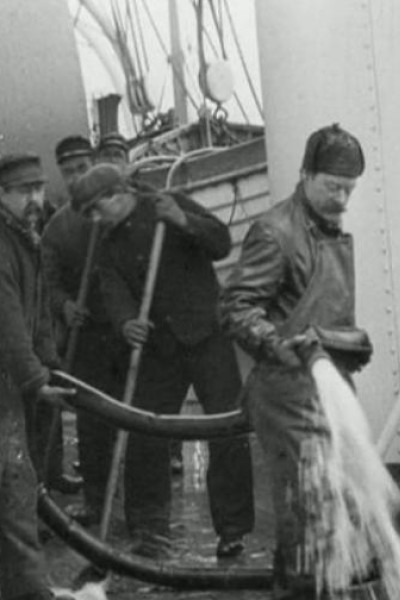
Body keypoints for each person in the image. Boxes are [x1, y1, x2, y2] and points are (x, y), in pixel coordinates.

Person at [71, 164, 255, 559]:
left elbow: (221, 243)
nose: (94, 220)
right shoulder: (105, 241)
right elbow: (112, 287)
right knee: (143, 433)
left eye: (96, 210)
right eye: (88, 214)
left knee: (227, 427)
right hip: (157, 348)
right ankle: (150, 530)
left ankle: (233, 529)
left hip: (207, 334)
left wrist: (182, 220)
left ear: (119, 194)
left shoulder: (166, 205)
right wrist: (125, 323)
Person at [220, 123, 372, 593]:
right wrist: (278, 343)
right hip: (286, 391)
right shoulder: (275, 231)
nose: (343, 199)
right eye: (333, 187)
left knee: (329, 512)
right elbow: (234, 307)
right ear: (305, 174)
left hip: (326, 385)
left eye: (349, 189)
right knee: (309, 513)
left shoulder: (327, 226)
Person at [0, 153, 75, 600]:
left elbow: (39, 313)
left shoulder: (26, 237)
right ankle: (28, 592)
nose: (35, 198)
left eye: (39, 188)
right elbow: (6, 317)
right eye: (24, 190)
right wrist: (34, 378)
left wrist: (53, 363)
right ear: (2, 195)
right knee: (14, 484)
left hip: (10, 378)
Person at [41, 136, 124, 526]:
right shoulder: (57, 229)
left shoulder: (116, 209)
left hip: (124, 332)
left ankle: (137, 508)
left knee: (134, 420)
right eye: (67, 171)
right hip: (88, 335)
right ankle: (95, 501)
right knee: (92, 424)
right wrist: (65, 305)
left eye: (81, 168)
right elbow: (50, 283)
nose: (75, 178)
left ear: (93, 165)